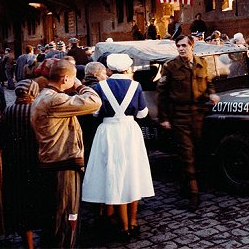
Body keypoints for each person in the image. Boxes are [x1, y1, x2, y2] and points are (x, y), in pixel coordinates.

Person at [82, 54, 154, 242]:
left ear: (109, 69)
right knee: (132, 174)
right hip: (130, 131)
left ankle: (122, 226)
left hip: (109, 132)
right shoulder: (135, 86)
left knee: (115, 175)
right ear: (127, 68)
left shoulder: (100, 86)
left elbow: (95, 112)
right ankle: (133, 222)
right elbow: (142, 113)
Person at [30, 60, 102, 248]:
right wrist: (80, 85)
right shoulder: (54, 100)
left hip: (53, 164)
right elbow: (95, 102)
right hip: (62, 166)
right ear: (65, 78)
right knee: (66, 217)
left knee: (55, 218)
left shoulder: (45, 95)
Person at [157, 35, 219, 211]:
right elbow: (161, 93)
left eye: (184, 45)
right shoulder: (171, 66)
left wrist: (212, 93)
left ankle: (186, 186)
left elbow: (209, 83)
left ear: (192, 46)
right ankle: (193, 194)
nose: (181, 49)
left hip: (198, 114)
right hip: (180, 116)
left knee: (199, 151)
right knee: (187, 153)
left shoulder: (202, 63)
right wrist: (164, 118)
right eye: (178, 46)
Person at [0, 79, 42, 249]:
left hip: (15, 165)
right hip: (37, 163)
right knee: (39, 201)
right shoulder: (38, 110)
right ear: (34, 92)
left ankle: (28, 244)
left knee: (21, 205)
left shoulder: (9, 110)